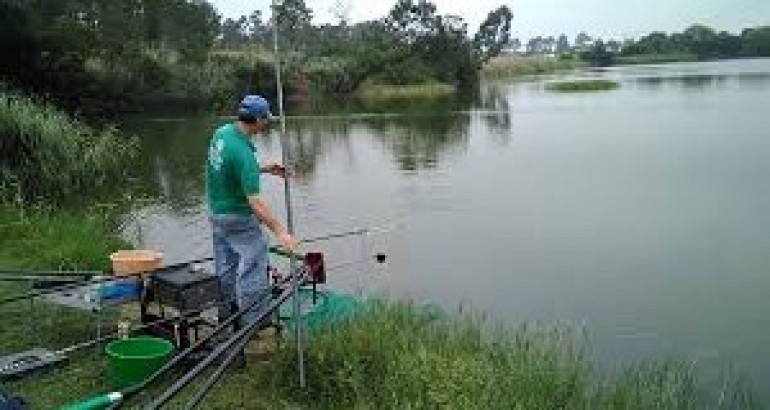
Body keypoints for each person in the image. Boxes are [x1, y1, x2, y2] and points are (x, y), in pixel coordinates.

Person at [205, 94, 298, 329]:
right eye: (265, 119)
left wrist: (265, 168)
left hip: (216, 214)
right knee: (254, 264)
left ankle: (227, 316)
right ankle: (253, 322)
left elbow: (229, 167)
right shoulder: (243, 154)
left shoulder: (222, 133)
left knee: (226, 267)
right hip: (237, 216)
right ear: (256, 120)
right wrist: (281, 232)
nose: (266, 123)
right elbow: (255, 203)